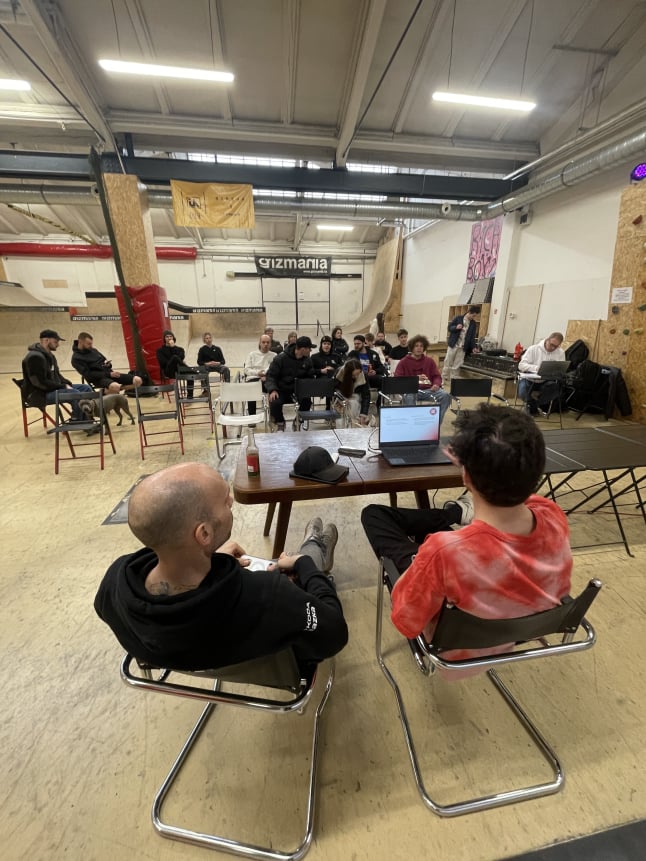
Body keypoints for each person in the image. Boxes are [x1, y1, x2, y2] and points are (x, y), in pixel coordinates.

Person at [361, 404, 572, 661]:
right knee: (427, 530)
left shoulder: (442, 552)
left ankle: (454, 514)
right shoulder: (552, 515)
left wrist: (421, 564)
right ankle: (455, 513)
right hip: (523, 627)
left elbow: (407, 622)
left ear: (465, 476)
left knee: (373, 515)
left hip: (455, 643)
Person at [94, 462, 348, 672]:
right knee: (304, 560)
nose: (231, 502)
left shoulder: (115, 583)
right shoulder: (271, 596)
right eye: (225, 502)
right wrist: (304, 566)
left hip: (203, 658)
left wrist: (211, 559)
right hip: (275, 659)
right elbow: (334, 632)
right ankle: (314, 548)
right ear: (204, 534)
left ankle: (314, 544)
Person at [22, 329, 94, 423]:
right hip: (39, 394)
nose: (58, 344)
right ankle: (77, 420)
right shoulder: (34, 357)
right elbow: (39, 383)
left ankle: (87, 418)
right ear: (46, 340)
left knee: (86, 388)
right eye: (55, 342)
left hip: (51, 389)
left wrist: (67, 383)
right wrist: (63, 386)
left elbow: (57, 375)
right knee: (74, 393)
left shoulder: (50, 356)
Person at [394, 334, 451, 423]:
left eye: (421, 346)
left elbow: (437, 376)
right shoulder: (403, 362)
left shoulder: (429, 361)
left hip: (429, 390)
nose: (419, 348)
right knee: (409, 396)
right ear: (412, 348)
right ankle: (411, 423)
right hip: (411, 390)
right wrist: (415, 379)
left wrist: (436, 384)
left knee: (445, 396)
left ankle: (436, 424)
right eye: (416, 346)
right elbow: (398, 379)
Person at [265, 335, 316, 431]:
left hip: (297, 390)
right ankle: (280, 422)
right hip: (281, 389)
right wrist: (272, 390)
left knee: (307, 401)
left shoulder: (307, 360)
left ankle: (298, 420)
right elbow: (271, 376)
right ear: (303, 349)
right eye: (309, 348)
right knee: (274, 402)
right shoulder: (281, 358)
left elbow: (310, 375)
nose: (310, 350)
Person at [71, 332, 143, 394]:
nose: (91, 346)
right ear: (80, 342)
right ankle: (107, 392)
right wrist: (108, 374)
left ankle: (110, 391)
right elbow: (88, 375)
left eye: (91, 344)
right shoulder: (76, 358)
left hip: (110, 374)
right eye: (88, 344)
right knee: (115, 386)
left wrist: (108, 364)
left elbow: (104, 360)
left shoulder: (93, 350)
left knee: (138, 380)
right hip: (97, 379)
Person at [518, 332, 566, 415]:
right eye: (551, 345)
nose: (553, 348)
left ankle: (531, 405)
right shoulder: (533, 349)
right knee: (523, 391)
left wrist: (557, 372)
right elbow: (521, 366)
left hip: (546, 381)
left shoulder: (560, 352)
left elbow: (561, 369)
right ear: (547, 340)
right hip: (529, 379)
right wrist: (536, 368)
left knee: (555, 389)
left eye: (556, 346)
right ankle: (532, 406)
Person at [442, 305, 480, 386]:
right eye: (473, 315)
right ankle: (444, 379)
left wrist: (474, 347)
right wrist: (456, 327)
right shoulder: (458, 318)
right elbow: (449, 328)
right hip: (453, 345)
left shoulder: (473, 324)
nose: (473, 317)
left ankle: (454, 381)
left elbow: (472, 337)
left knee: (457, 365)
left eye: (475, 316)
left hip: (463, 347)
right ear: (469, 312)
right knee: (448, 362)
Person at [347, 334, 386, 405]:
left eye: (358, 344)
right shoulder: (352, 354)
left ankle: (379, 404)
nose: (356, 345)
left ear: (363, 343)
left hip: (371, 377)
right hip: (358, 378)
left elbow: (381, 367)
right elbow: (347, 367)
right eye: (355, 344)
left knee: (382, 380)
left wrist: (375, 371)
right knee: (364, 377)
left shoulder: (373, 354)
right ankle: (365, 403)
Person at [243, 334, 277, 415]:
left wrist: (266, 376)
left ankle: (273, 415)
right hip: (253, 378)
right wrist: (258, 373)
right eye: (263, 342)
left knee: (274, 388)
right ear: (260, 343)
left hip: (268, 379)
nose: (266, 344)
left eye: (268, 342)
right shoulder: (252, 354)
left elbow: (275, 370)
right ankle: (252, 416)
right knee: (251, 389)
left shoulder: (274, 355)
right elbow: (246, 370)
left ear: (270, 344)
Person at [335, 358, 370, 425]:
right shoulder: (340, 373)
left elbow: (366, 396)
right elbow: (335, 390)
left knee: (354, 403)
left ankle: (356, 422)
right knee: (350, 405)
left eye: (358, 374)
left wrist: (363, 414)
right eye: (353, 375)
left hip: (356, 399)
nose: (356, 376)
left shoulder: (363, 376)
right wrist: (342, 399)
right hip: (341, 398)